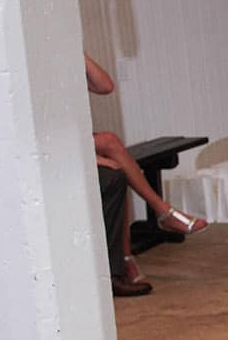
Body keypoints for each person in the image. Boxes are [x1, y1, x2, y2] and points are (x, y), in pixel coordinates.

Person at [85, 53, 207, 298]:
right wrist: (86, 154)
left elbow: (105, 85)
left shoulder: (60, 56)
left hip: (74, 140)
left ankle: (127, 258)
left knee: (117, 169)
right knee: (111, 144)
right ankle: (162, 213)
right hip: (53, 146)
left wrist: (78, 51)